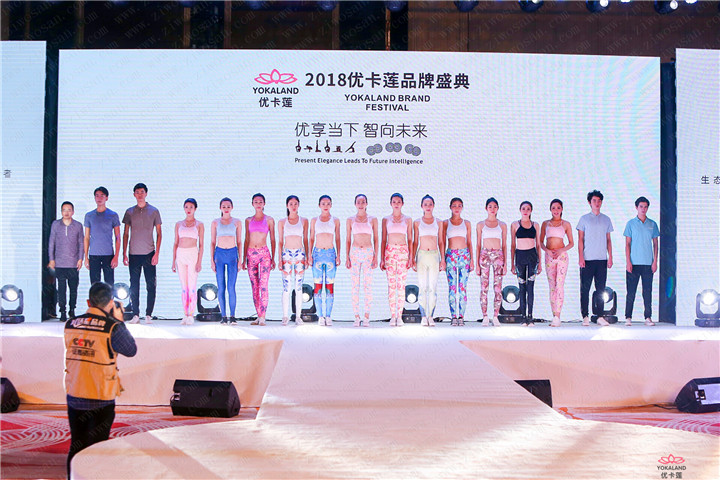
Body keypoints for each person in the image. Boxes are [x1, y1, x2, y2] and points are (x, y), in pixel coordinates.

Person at [64, 282, 137, 477]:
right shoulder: (112, 327)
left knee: (77, 444)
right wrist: (119, 321)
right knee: (98, 447)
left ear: (88, 302)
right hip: (101, 396)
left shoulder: (70, 324)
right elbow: (131, 350)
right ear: (111, 303)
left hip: (75, 393)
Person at [122, 183, 162, 324]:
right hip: (133, 254)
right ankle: (135, 314)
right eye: (137, 192)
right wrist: (124, 253)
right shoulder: (129, 212)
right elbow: (125, 233)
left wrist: (156, 254)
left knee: (151, 285)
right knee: (134, 285)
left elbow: (159, 233)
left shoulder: (154, 211)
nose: (140, 194)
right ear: (134, 194)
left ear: (146, 193)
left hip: (149, 253)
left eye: (142, 192)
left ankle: (149, 314)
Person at [577, 189, 614, 326]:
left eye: (599, 201)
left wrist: (610, 257)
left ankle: (600, 316)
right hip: (587, 259)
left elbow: (608, 240)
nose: (597, 203)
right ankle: (585, 316)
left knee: (600, 289)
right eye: (594, 200)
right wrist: (581, 257)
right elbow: (580, 240)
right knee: (585, 289)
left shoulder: (606, 219)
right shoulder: (584, 219)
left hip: (602, 259)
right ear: (589, 202)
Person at [623, 196, 660, 326]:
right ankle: (628, 317)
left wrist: (655, 261)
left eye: (645, 207)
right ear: (636, 207)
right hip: (633, 263)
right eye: (641, 206)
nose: (643, 209)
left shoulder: (652, 224)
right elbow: (627, 244)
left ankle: (648, 317)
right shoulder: (631, 224)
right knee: (631, 292)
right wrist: (628, 261)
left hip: (648, 263)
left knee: (647, 292)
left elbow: (655, 244)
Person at [539, 199, 574, 327]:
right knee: (552, 286)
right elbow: (540, 242)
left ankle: (558, 316)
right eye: (553, 208)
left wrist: (561, 250)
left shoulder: (566, 224)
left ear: (562, 209)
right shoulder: (545, 224)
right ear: (550, 209)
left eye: (558, 208)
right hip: (549, 256)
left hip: (561, 256)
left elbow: (571, 243)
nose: (556, 210)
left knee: (559, 284)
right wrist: (547, 251)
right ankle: (554, 315)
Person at [380, 193, 413, 327]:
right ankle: (393, 315)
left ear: (402, 203)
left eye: (399, 202)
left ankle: (399, 316)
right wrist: (382, 258)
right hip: (390, 251)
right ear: (391, 203)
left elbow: (410, 239)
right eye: (394, 202)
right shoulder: (386, 219)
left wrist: (410, 257)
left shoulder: (408, 219)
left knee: (401, 285)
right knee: (392, 285)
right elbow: (383, 239)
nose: (396, 204)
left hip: (403, 251)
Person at [243, 194, 276, 326]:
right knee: (254, 286)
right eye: (256, 202)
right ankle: (258, 314)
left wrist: (273, 257)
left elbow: (273, 239)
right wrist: (244, 258)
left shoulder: (269, 220)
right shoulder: (248, 220)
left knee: (263, 285)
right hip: (251, 254)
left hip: (264, 254)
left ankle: (263, 316)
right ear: (252, 204)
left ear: (264, 204)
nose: (258, 204)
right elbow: (246, 239)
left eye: (260, 202)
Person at [346, 194, 378, 327]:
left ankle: (366, 316)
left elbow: (376, 238)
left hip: (368, 252)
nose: (361, 204)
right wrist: (347, 257)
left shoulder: (372, 219)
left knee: (367, 285)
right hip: (355, 252)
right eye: (358, 202)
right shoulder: (350, 220)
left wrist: (376, 256)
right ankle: (356, 316)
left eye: (363, 202)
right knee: (355, 285)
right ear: (355, 204)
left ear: (366, 204)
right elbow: (348, 239)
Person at [413, 195, 445, 327]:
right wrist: (413, 259)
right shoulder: (417, 222)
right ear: (422, 206)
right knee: (422, 287)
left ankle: (430, 315)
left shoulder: (439, 222)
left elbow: (441, 242)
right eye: (425, 204)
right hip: (421, 255)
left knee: (432, 287)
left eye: (430, 204)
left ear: (433, 206)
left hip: (434, 255)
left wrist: (442, 259)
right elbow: (415, 242)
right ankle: (423, 316)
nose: (428, 207)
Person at [309, 195, 341, 326]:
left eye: (328, 203)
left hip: (330, 254)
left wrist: (338, 255)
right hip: (317, 254)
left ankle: (328, 315)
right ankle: (320, 316)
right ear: (319, 205)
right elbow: (311, 238)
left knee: (329, 286)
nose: (325, 206)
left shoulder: (335, 220)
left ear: (331, 205)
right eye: (323, 203)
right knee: (317, 286)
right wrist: (310, 255)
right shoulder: (314, 220)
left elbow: (337, 238)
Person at [49, 201, 84, 322]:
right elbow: (51, 243)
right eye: (64, 210)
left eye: (69, 210)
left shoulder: (78, 225)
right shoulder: (55, 224)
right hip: (60, 262)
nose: (66, 212)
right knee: (61, 289)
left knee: (73, 289)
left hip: (73, 262)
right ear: (61, 211)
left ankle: (72, 310)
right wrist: (51, 259)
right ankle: (62, 311)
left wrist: (80, 258)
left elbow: (81, 243)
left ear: (73, 212)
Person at [172, 199, 204, 325]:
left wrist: (199, 261)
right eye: (186, 207)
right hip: (180, 254)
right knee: (184, 287)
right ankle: (185, 314)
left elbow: (201, 245)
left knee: (192, 286)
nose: (189, 209)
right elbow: (175, 243)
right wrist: (173, 261)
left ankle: (191, 314)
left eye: (191, 207)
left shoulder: (199, 224)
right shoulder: (178, 224)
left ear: (195, 209)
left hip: (192, 254)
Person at [278, 195, 308, 326]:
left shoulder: (304, 221)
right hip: (287, 255)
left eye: (295, 204)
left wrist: (307, 256)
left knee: (299, 287)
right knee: (286, 287)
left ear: (299, 205)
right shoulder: (282, 222)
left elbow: (306, 239)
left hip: (300, 255)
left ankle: (298, 316)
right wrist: (279, 259)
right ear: (287, 206)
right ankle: (285, 316)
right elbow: (280, 241)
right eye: (291, 204)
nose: (293, 206)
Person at [476, 197, 507, 327]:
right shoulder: (481, 224)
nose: (492, 209)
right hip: (485, 255)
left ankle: (495, 315)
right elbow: (478, 244)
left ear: (498, 208)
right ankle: (485, 315)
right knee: (484, 287)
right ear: (486, 208)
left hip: (498, 255)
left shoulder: (502, 225)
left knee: (497, 288)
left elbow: (504, 245)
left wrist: (505, 264)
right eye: (490, 207)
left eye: (495, 207)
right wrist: (477, 264)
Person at [211, 198, 242, 325]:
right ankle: (223, 316)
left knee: (231, 287)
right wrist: (212, 260)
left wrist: (240, 259)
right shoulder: (215, 222)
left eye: (228, 206)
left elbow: (239, 241)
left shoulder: (237, 222)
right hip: (219, 254)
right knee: (221, 287)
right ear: (220, 208)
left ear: (232, 207)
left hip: (232, 254)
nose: (226, 208)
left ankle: (232, 316)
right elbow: (212, 242)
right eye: (224, 206)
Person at [511, 201, 542, 326]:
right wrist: (512, 263)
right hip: (520, 257)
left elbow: (538, 245)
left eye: (528, 209)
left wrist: (540, 263)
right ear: (520, 210)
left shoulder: (535, 225)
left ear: (531, 211)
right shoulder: (515, 225)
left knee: (531, 287)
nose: (525, 211)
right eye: (523, 208)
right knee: (522, 287)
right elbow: (512, 245)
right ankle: (523, 317)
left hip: (532, 257)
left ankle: (530, 316)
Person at [443, 197, 473, 326]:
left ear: (462, 207)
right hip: (451, 255)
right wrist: (443, 259)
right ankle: (453, 316)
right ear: (450, 207)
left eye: (459, 205)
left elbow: (469, 241)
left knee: (462, 287)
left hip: (464, 255)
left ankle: (461, 316)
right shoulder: (445, 223)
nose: (457, 208)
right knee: (452, 287)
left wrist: (472, 260)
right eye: (454, 205)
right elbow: (442, 242)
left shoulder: (466, 223)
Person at [83, 186, 121, 285]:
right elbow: (86, 237)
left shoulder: (113, 215)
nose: (99, 198)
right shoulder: (89, 216)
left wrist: (116, 256)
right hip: (93, 255)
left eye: (102, 196)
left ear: (106, 198)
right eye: (97, 196)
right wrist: (86, 257)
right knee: (95, 284)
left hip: (108, 255)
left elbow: (118, 237)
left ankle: (110, 297)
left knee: (109, 284)